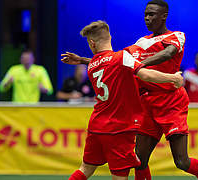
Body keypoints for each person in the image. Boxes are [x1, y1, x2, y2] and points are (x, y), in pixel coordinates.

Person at [62, 1, 198, 180]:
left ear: (164, 16)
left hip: (171, 101)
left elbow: (168, 53)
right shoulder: (141, 42)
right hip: (147, 103)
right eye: (145, 15)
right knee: (139, 161)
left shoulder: (177, 36)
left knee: (182, 161)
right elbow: (112, 61)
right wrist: (82, 59)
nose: (147, 18)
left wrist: (138, 66)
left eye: (152, 14)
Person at [67, 21, 184, 180]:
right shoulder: (121, 57)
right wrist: (172, 78)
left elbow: (106, 62)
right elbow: (146, 75)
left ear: (92, 43)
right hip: (119, 129)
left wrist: (81, 59)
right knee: (120, 176)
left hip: (96, 124)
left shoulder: (92, 64)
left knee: (85, 168)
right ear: (110, 37)